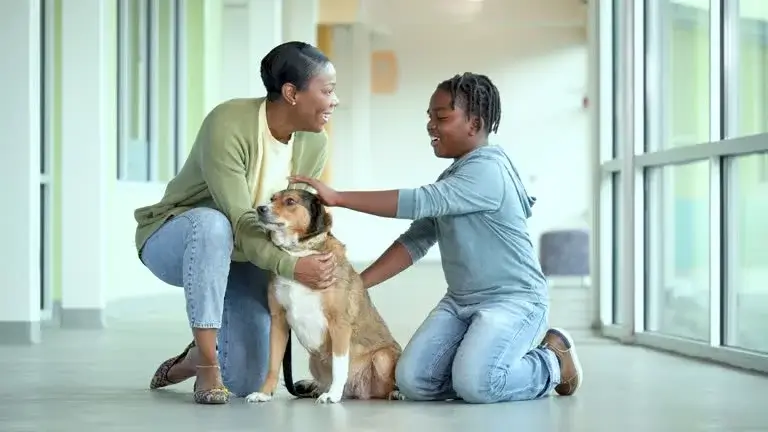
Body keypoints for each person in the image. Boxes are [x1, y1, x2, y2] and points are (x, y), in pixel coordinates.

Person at [289, 72, 583, 404]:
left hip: (514, 301)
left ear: (474, 123)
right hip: (461, 302)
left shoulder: (488, 170)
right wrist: (354, 284)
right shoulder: (455, 175)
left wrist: (339, 197)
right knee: (412, 382)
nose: (430, 125)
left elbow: (422, 201)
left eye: (441, 117)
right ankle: (477, 367)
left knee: (478, 385)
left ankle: (552, 362)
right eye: (429, 117)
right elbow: (414, 242)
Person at [133, 41, 339, 405]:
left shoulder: (314, 142)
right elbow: (240, 220)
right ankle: (209, 365)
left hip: (246, 255)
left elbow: (290, 216)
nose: (334, 101)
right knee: (214, 225)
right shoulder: (228, 123)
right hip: (178, 237)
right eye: (327, 91)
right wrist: (293, 266)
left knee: (247, 381)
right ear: (291, 93)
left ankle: (197, 353)